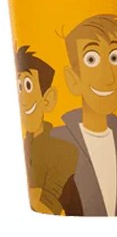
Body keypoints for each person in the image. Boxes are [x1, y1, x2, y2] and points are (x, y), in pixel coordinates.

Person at [52, 14, 117, 216]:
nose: (109, 77)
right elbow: (44, 203)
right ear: (73, 79)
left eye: (115, 58)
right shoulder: (56, 143)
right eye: (91, 59)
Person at [15, 45, 77, 215]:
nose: (24, 100)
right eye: (20, 86)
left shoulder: (63, 149)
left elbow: (48, 205)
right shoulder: (31, 143)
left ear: (48, 99)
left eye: (28, 86)